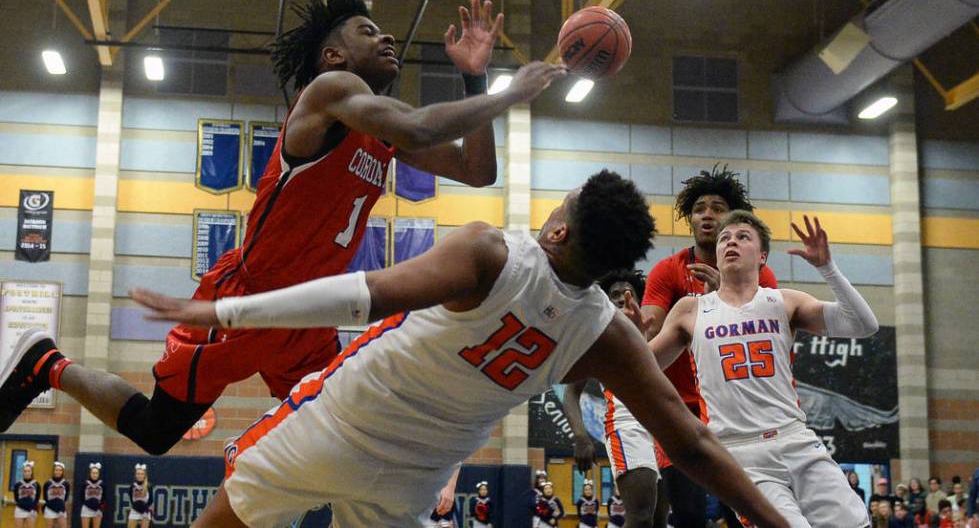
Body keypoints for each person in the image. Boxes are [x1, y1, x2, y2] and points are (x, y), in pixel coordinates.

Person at [0, 0, 566, 452]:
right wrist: (511, 93)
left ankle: (260, 478)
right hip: (245, 300)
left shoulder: (381, 135)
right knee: (155, 433)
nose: (387, 36)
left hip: (309, 313)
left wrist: (476, 79)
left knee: (341, 437)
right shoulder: (330, 92)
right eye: (367, 31)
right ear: (334, 57)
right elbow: (421, 127)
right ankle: (46, 361)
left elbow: (477, 169)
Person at [125, 171, 789, 527]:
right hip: (409, 480)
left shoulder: (491, 254)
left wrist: (222, 308)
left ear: (558, 229)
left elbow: (363, 295)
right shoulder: (605, 334)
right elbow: (694, 443)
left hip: (334, 425)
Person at [650, 211, 876, 528]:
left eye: (743, 237)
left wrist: (828, 268)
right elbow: (644, 366)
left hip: (796, 439)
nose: (732, 242)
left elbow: (864, 325)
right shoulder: (692, 310)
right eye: (725, 238)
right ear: (716, 254)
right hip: (740, 454)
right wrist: (626, 334)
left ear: (762, 256)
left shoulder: (783, 301)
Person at [642, 166, 779, 528]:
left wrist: (726, 297)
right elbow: (649, 332)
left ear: (734, 218)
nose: (707, 214)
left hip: (739, 410)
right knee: (688, 513)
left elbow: (771, 335)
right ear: (690, 219)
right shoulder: (668, 271)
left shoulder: (760, 276)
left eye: (717, 207)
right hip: (681, 410)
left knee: (746, 514)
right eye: (700, 208)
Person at [562, 269, 667, 528]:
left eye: (628, 293)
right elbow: (571, 393)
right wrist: (580, 436)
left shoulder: (659, 333)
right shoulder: (597, 339)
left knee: (659, 520)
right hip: (626, 426)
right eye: (615, 295)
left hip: (664, 430)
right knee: (640, 517)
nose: (622, 298)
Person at [8, 461, 39, 528]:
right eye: (25, 471)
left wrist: (34, 509)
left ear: (31, 472)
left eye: (28, 471)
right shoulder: (18, 484)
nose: (27, 473)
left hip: (31, 510)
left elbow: (36, 499)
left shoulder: (36, 484)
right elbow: (16, 498)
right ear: (23, 472)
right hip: (20, 509)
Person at [41, 461, 69, 528]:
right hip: (49, 509)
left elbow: (65, 498)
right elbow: (45, 498)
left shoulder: (66, 484)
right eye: (56, 470)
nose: (58, 472)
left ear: (62, 472)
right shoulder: (47, 483)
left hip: (61, 509)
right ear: (53, 471)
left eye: (60, 470)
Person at [80, 462, 105, 528]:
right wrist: (88, 504)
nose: (94, 475)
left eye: (96, 473)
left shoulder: (102, 484)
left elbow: (104, 498)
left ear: (99, 474)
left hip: (97, 509)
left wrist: (100, 507)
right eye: (93, 473)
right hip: (86, 508)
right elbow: (81, 497)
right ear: (90, 473)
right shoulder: (85, 484)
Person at [128, 463, 152, 528]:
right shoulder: (132, 486)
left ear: (144, 475)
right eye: (138, 474)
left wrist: (144, 508)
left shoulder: (148, 486)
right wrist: (136, 507)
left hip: (145, 511)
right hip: (135, 510)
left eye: (142, 474)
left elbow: (150, 500)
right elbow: (131, 499)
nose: (140, 476)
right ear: (135, 475)